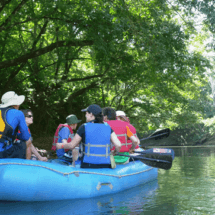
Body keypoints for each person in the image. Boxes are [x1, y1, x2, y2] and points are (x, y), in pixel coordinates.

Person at [56, 104, 121, 168]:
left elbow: (71, 145)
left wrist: (61, 145)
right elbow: (118, 145)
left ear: (91, 114)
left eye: (86, 113)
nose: (85, 115)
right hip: (105, 164)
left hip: (88, 164)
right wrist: (114, 152)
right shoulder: (108, 127)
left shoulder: (84, 127)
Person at [0, 91, 32, 159]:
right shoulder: (18, 113)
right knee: (24, 143)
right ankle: (23, 166)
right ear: (15, 104)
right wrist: (17, 135)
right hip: (3, 153)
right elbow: (26, 137)